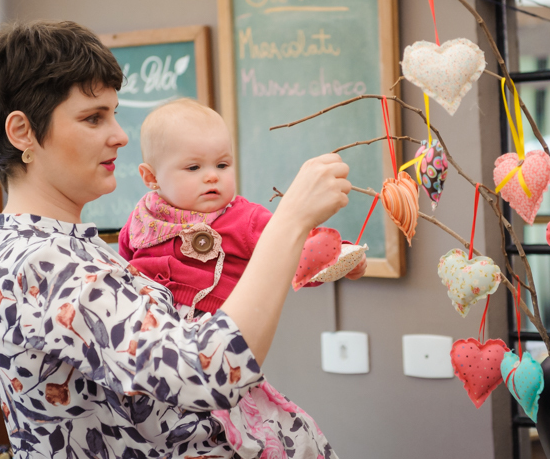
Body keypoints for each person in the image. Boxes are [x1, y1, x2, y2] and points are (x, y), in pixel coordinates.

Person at [0, 20, 351, 459]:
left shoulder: (57, 246)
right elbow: (207, 370)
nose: (120, 136)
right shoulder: (46, 264)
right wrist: (289, 220)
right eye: (93, 118)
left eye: (114, 114)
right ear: (23, 132)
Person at [118, 98, 366, 318]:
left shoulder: (245, 219)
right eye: (194, 168)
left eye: (222, 165)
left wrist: (341, 257)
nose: (212, 176)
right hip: (146, 323)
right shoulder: (141, 216)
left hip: (214, 326)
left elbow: (295, 248)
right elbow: (124, 264)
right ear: (151, 177)